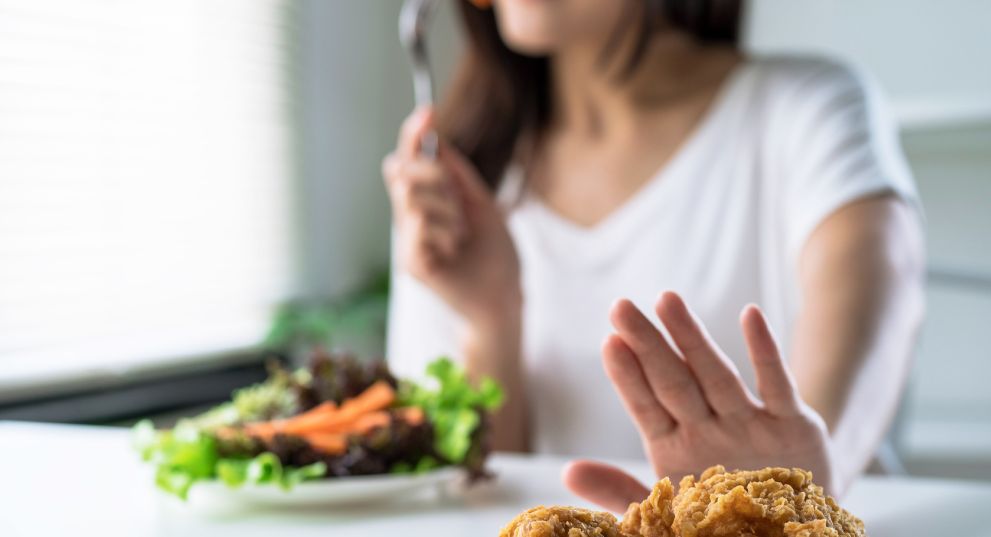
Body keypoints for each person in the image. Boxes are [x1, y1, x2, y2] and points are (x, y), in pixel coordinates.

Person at [383, 0, 924, 512]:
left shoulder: (807, 106)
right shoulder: (458, 181)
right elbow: (476, 500)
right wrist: (489, 320)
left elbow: (883, 284)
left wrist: (798, 491)